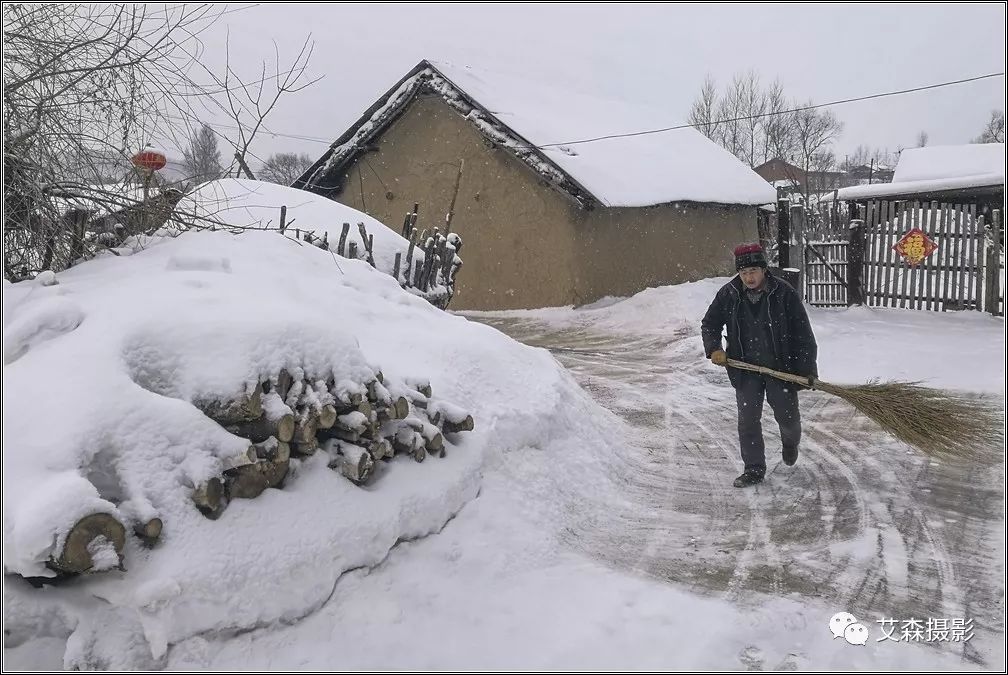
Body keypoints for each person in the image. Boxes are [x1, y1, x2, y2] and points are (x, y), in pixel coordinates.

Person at [701, 243, 818, 488]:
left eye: (753, 271)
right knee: (748, 420)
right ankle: (754, 469)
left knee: (788, 419)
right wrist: (714, 348)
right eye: (743, 273)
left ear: (764, 269)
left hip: (780, 369)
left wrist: (807, 370)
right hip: (745, 371)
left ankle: (790, 443)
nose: (748, 277)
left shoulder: (783, 293)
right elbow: (710, 323)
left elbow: (803, 334)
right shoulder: (729, 293)